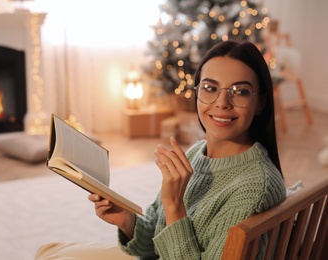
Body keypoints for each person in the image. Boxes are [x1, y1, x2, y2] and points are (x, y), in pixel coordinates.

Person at [88, 40, 286, 259]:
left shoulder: (255, 188)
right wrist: (127, 221)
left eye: (240, 91)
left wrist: (174, 206)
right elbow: (157, 240)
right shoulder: (196, 153)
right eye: (210, 88)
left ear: (260, 102)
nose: (222, 103)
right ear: (197, 92)